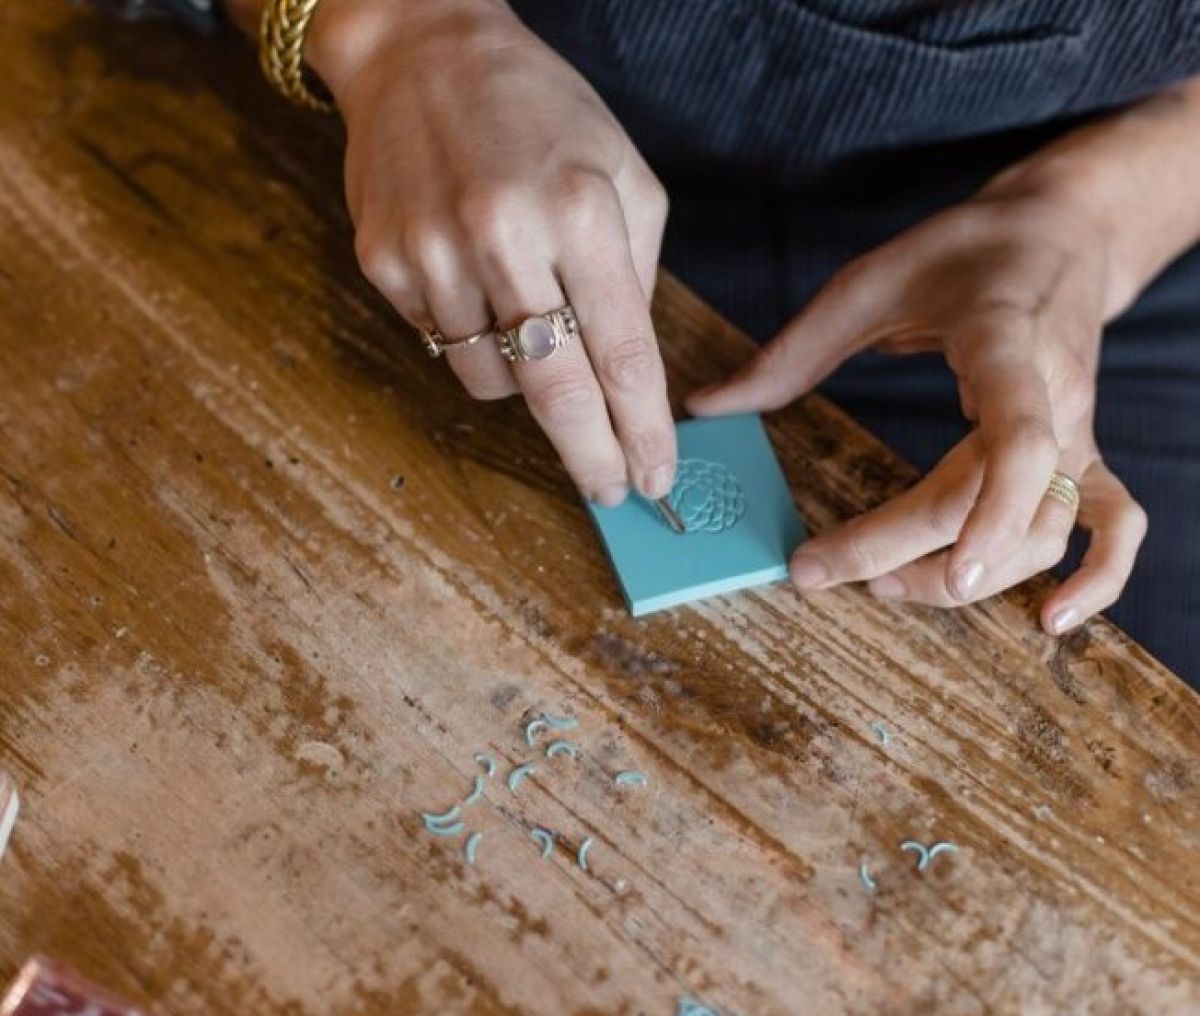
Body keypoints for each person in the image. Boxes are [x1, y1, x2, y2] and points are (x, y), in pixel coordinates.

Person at [92, 0, 1200, 685]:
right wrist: (389, 28)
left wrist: (1086, 225)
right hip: (454, 136)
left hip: (1056, 251)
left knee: (1069, 652)